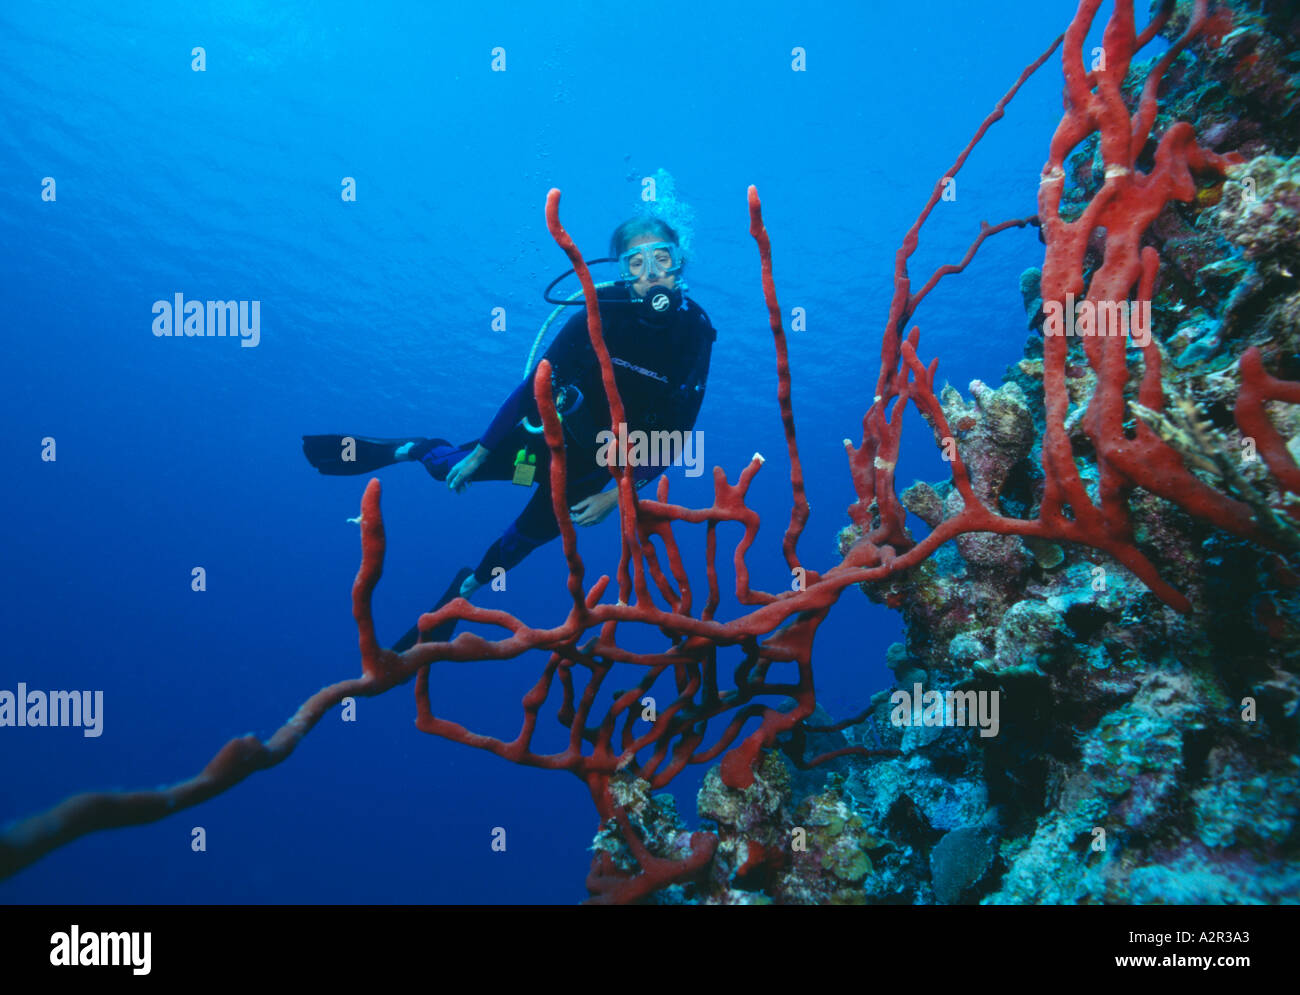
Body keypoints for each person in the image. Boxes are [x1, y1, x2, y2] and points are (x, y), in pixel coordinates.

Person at [303, 216, 716, 650]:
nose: (650, 273)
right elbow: (535, 383)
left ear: (680, 263)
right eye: (635, 262)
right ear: (621, 270)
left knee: (522, 541)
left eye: (662, 258)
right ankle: (412, 449)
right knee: (449, 469)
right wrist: (480, 454)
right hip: (539, 441)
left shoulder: (695, 331)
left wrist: (617, 496)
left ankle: (465, 590)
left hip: (594, 470)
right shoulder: (601, 309)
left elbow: (678, 430)